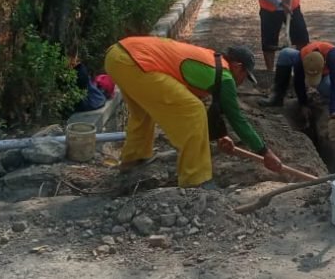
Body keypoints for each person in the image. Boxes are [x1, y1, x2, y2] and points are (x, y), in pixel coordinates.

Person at [104, 37, 283, 188]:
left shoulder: (211, 62)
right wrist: (265, 152)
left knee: (143, 113)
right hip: (135, 62)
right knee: (194, 111)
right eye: (245, 75)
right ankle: (196, 179)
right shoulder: (226, 77)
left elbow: (207, 106)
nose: (243, 81)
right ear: (237, 66)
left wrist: (220, 135)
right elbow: (237, 119)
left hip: (119, 56)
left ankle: (134, 159)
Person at [260, 40, 335, 119]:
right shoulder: (301, 58)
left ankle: (326, 100)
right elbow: (298, 81)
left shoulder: (332, 56)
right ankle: (277, 98)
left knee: (328, 86)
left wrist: (333, 110)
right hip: (308, 62)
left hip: (329, 74)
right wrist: (303, 104)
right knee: (285, 53)